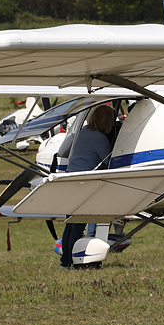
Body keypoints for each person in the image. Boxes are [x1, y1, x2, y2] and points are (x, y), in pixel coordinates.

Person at [60, 104, 115, 268]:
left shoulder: (84, 132)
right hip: (83, 183)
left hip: (70, 180)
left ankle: (65, 262)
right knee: (79, 225)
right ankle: (76, 262)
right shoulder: (99, 138)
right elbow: (109, 161)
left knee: (70, 224)